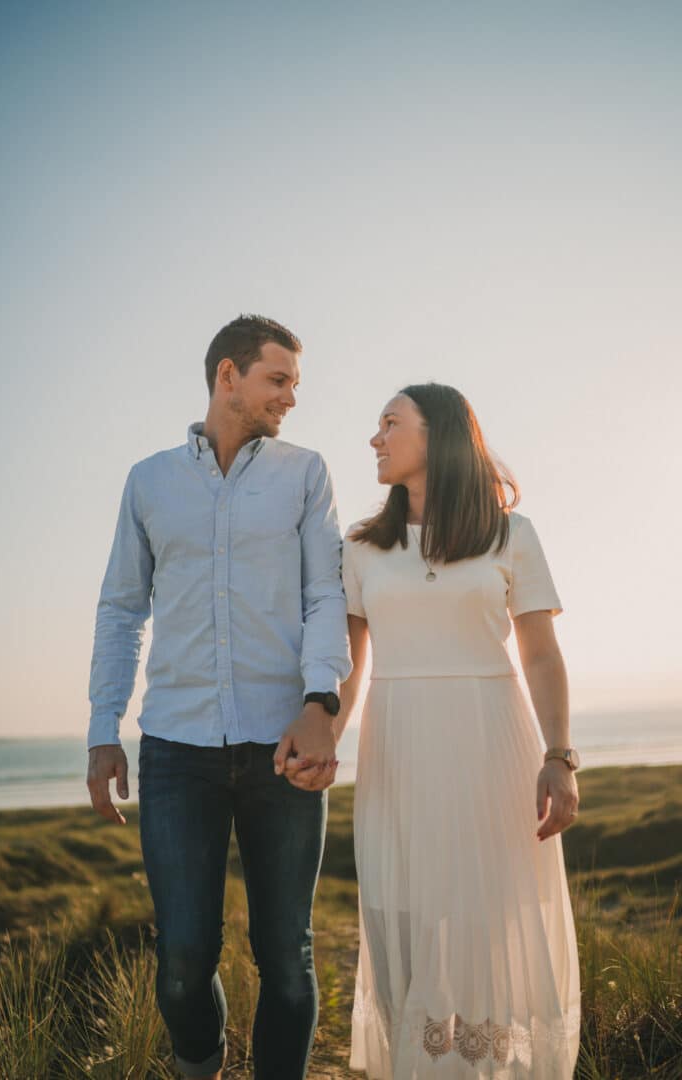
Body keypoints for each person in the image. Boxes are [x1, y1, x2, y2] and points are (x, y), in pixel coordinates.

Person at [86, 314, 350, 1080]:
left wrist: (321, 702)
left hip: (284, 746)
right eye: (279, 379)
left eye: (295, 383)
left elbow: (325, 596)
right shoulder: (149, 481)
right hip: (176, 750)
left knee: (287, 958)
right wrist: (104, 727)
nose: (291, 397)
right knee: (182, 961)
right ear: (227, 376)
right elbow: (121, 609)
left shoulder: (306, 474)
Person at [336, 383, 581, 1078]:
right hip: (396, 746)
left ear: (438, 435)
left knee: (488, 923)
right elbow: (348, 666)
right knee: (400, 918)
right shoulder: (359, 547)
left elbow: (540, 655)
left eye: (390, 423)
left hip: (490, 745)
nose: (375, 438)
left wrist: (560, 756)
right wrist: (326, 736)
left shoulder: (512, 535)